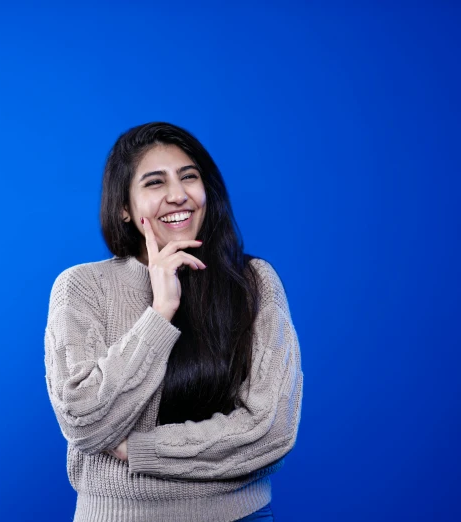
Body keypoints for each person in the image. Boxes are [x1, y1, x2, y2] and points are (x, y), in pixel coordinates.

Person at [44, 122, 304, 522]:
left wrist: (141, 450)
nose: (178, 194)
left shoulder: (254, 282)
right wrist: (161, 310)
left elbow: (271, 430)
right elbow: (87, 424)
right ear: (124, 209)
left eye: (189, 177)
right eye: (154, 183)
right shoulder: (82, 287)